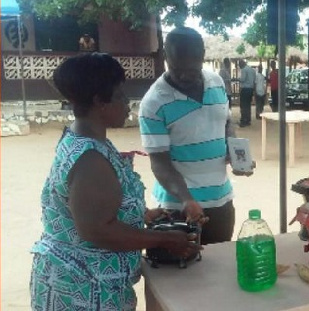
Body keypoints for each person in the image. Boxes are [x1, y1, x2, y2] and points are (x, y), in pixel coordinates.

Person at [30, 53, 197, 310]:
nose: (127, 103)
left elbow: (93, 206)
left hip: (88, 282)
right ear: (100, 102)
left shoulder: (89, 140)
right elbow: (97, 229)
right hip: (81, 290)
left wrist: (142, 214)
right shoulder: (89, 158)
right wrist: (163, 239)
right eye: (120, 96)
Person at [139, 27, 250, 245]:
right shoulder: (153, 103)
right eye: (177, 68)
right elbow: (159, 163)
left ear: (202, 57)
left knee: (219, 267)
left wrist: (235, 152)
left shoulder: (216, 82)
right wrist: (187, 200)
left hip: (221, 200)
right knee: (182, 274)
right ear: (165, 57)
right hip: (178, 207)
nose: (184, 75)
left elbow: (226, 121)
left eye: (192, 69)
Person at [237, 59, 256, 127]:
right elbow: (254, 80)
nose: (239, 66)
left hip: (245, 89)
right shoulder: (252, 70)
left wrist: (238, 79)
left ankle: (243, 120)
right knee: (248, 105)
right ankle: (248, 120)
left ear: (242, 64)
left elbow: (243, 79)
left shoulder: (244, 70)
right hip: (250, 89)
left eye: (239, 65)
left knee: (243, 105)